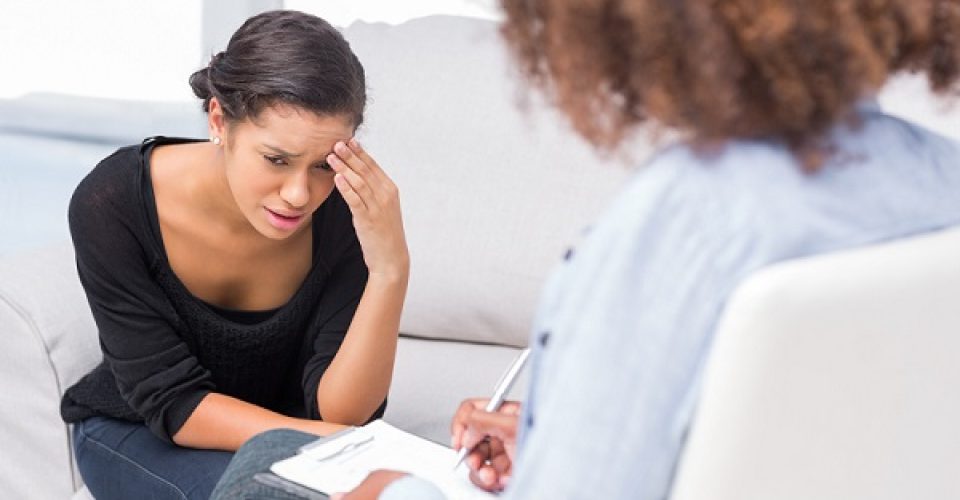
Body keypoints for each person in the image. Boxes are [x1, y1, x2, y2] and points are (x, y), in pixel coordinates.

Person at [212, 1, 960, 499]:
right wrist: (552, 435)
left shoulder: (678, 222)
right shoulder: (942, 183)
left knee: (264, 473)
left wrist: (392, 492)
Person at [59, 10, 409, 500]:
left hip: (292, 439)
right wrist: (333, 443)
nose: (298, 194)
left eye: (324, 165)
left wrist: (390, 270)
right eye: (276, 160)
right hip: (143, 434)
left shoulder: (346, 212)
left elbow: (342, 414)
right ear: (219, 120)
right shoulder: (113, 203)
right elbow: (173, 403)